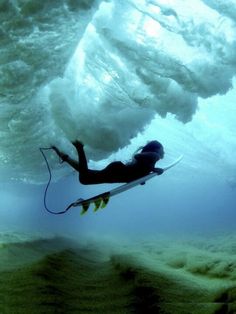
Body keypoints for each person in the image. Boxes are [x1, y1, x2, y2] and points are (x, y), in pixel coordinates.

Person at [52, 140, 164, 185]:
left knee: (87, 175)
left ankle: (65, 157)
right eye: (162, 149)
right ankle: (79, 147)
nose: (163, 151)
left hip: (118, 171)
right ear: (156, 149)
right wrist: (153, 170)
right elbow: (137, 156)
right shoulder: (155, 156)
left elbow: (138, 173)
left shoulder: (151, 160)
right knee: (85, 178)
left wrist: (144, 179)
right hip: (118, 172)